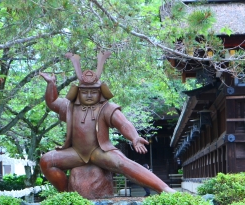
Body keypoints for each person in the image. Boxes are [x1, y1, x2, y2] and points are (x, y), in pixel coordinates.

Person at [39, 51, 175, 194]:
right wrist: (51, 84)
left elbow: (123, 123)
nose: (89, 95)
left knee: (123, 163)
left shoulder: (107, 107)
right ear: (78, 92)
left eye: (94, 92)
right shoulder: (70, 106)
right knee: (46, 161)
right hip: (76, 153)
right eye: (85, 92)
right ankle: (66, 193)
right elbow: (52, 102)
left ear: (101, 92)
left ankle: (164, 189)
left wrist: (134, 137)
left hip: (100, 151)